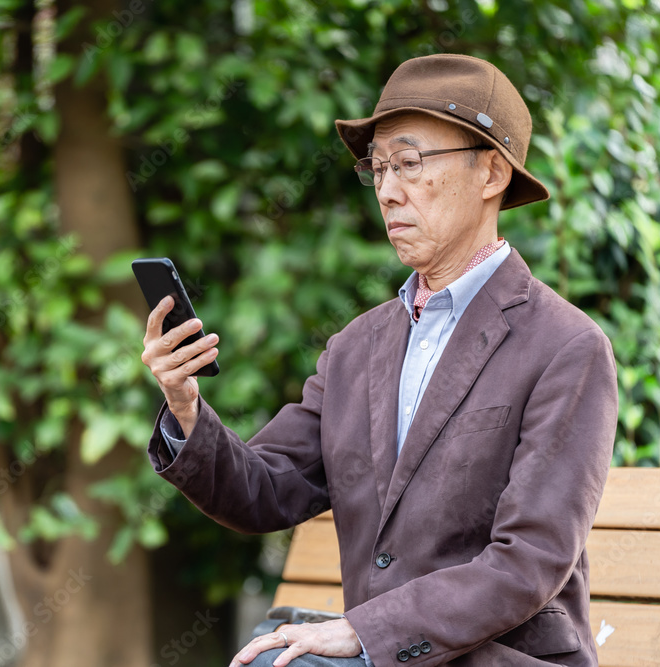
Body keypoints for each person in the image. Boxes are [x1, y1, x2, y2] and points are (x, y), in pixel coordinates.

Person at [140, 54, 618, 667]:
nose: (388, 191)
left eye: (412, 164)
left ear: (492, 173)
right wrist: (185, 405)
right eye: (380, 168)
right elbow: (264, 492)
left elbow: (529, 563)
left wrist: (366, 633)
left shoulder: (566, 347)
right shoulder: (356, 349)